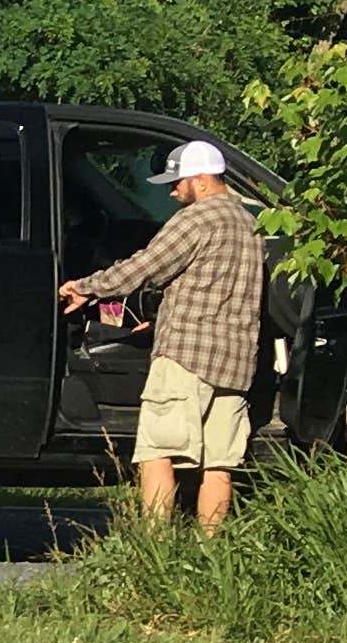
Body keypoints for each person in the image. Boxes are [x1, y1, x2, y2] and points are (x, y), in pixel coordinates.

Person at [59, 138, 263, 526]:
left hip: (186, 356)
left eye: (177, 182)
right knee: (219, 464)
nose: (172, 192)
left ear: (201, 180)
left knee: (157, 451)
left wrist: (87, 287)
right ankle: (211, 547)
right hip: (235, 361)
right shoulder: (250, 224)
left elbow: (146, 267)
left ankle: (156, 543)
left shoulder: (196, 219)